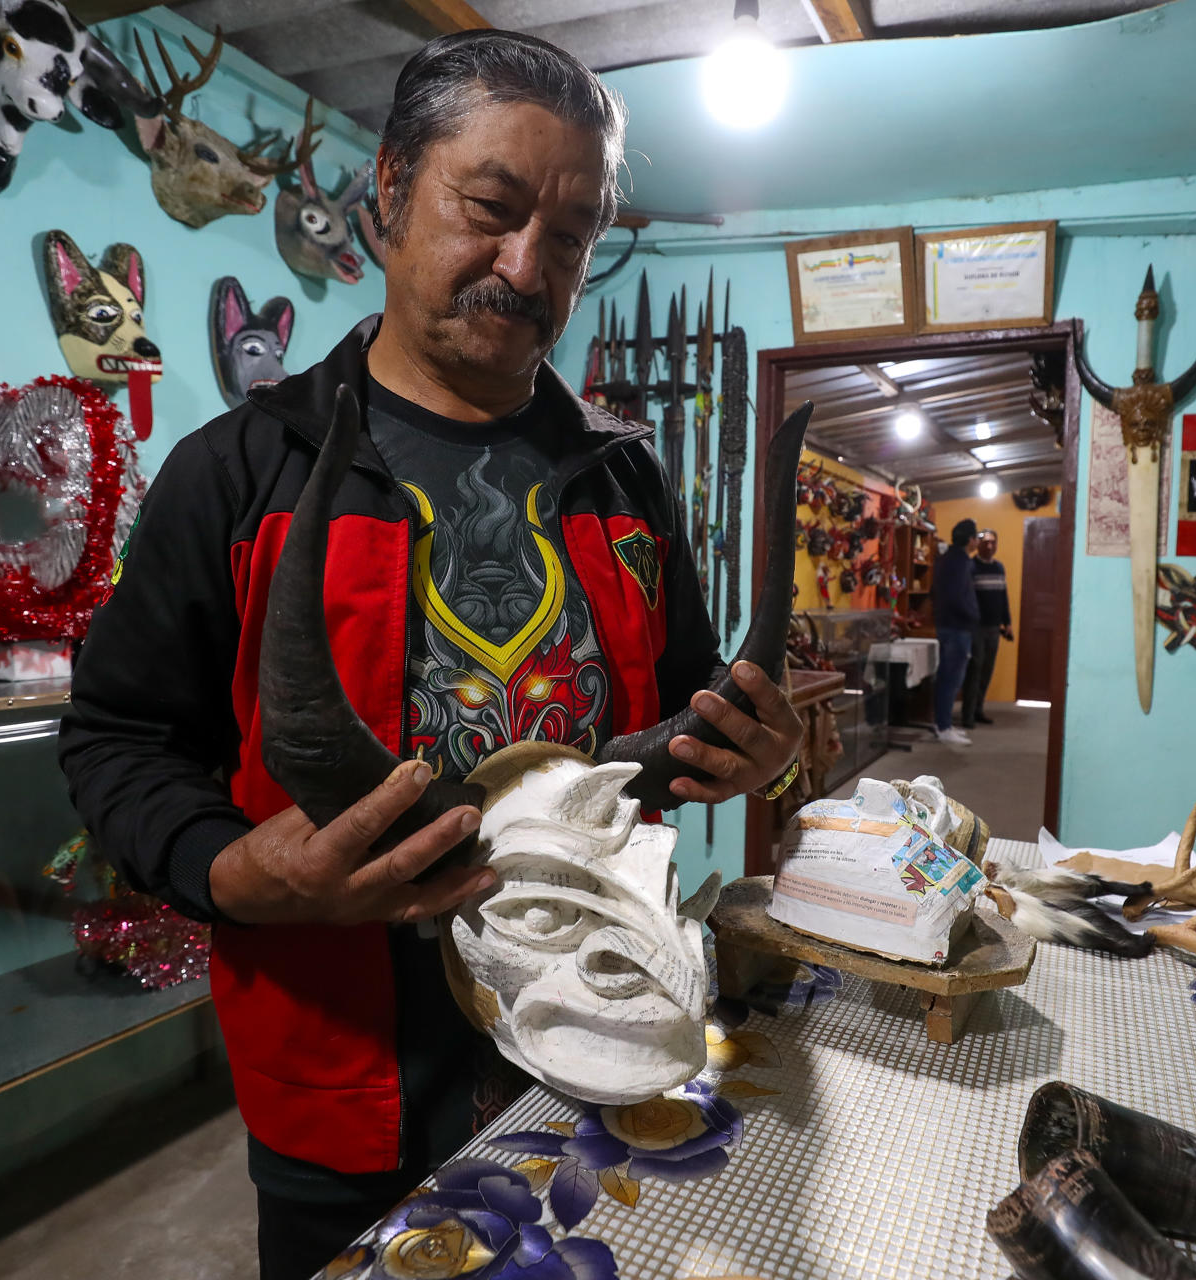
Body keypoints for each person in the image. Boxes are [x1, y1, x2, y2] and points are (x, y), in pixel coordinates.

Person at [55, 31, 804, 1280]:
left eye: (568, 239)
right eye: (491, 209)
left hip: (600, 1033)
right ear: (390, 191)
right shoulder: (239, 475)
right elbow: (117, 737)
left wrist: (748, 749)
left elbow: (679, 723)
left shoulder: (623, 483)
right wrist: (229, 871)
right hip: (342, 1069)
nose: (527, 267)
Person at [930, 517, 980, 745]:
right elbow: (959, 597)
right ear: (970, 539)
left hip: (946, 624)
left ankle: (944, 723)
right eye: (976, 537)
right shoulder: (961, 562)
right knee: (951, 679)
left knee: (947, 678)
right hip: (957, 627)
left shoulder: (944, 559)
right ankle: (943, 726)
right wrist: (974, 616)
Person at [961, 529, 1014, 727]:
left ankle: (978, 710)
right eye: (985, 543)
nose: (989, 546)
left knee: (986, 670)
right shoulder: (971, 567)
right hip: (975, 628)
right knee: (974, 670)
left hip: (994, 628)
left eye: (993, 543)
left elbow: (1003, 597)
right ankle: (967, 716)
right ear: (978, 544)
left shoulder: (999, 568)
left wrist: (1007, 623)